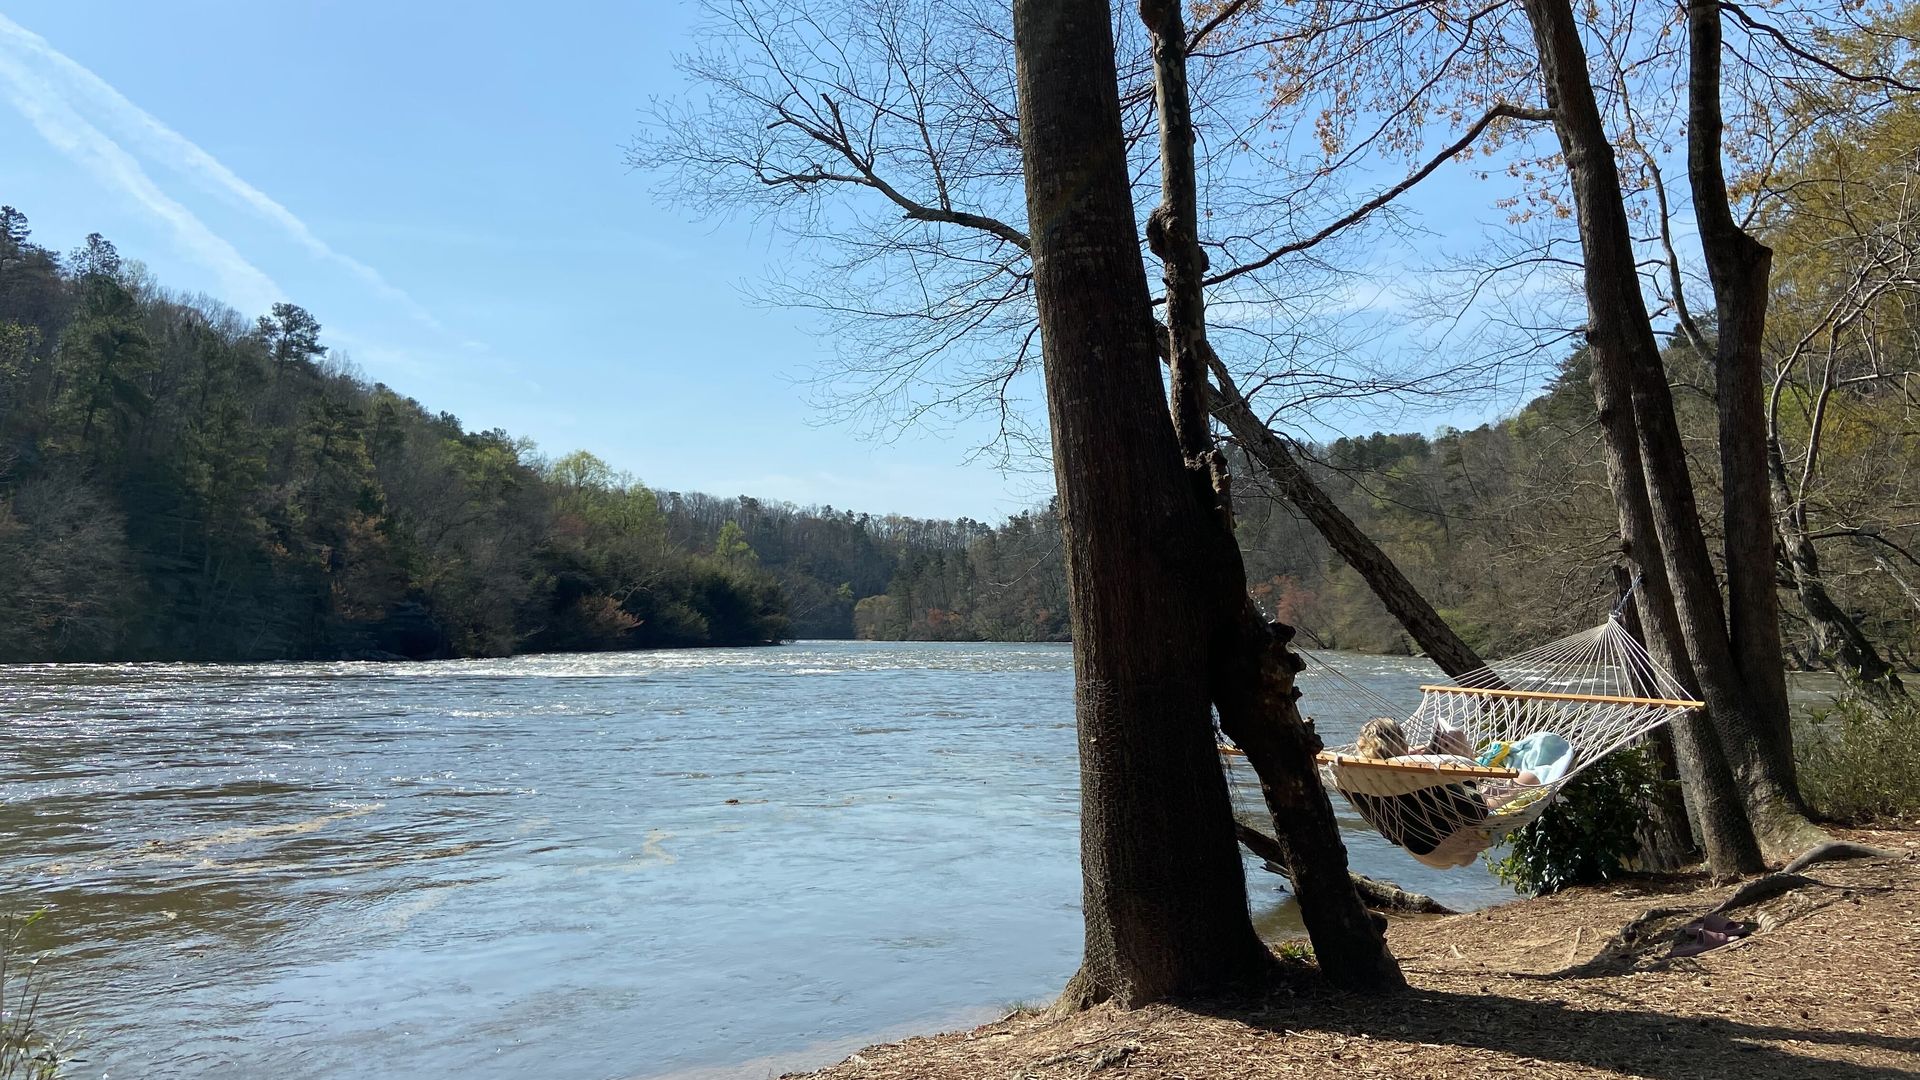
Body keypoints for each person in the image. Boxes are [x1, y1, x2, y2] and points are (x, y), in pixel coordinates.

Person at [1345, 717, 1490, 858]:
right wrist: (1469, 777)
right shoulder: (1416, 776)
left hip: (1408, 838)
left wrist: (1412, 757)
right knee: (1458, 739)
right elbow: (1478, 810)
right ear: (1402, 744)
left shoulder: (1350, 771)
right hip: (1441, 840)